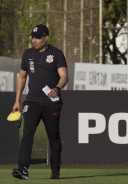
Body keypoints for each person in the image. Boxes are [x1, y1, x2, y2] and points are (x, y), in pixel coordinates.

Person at [11, 24, 68, 180]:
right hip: (32, 101)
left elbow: (64, 76)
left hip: (52, 103)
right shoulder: (28, 54)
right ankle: (23, 169)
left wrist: (57, 87)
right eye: (32, 37)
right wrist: (17, 101)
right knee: (27, 132)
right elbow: (22, 77)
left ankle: (55, 172)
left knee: (53, 136)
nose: (34, 40)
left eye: (37, 37)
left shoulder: (57, 54)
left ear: (46, 38)